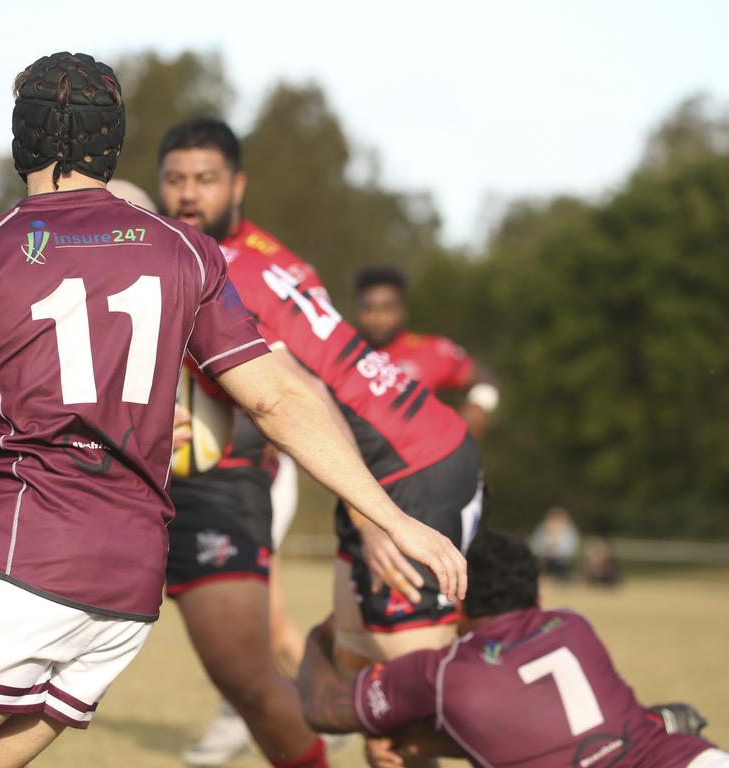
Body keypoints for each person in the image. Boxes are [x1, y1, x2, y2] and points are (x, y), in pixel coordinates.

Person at [0, 52, 464, 768]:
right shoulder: (187, 252)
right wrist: (393, 517)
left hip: (22, 564)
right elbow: (278, 396)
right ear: (111, 142)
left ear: (21, 139)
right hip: (127, 590)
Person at [158, 118, 482, 768]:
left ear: (238, 184)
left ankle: (621, 745)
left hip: (407, 470)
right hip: (388, 465)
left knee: (417, 724)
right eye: (175, 180)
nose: (189, 195)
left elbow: (312, 394)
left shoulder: (224, 276)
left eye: (206, 180)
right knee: (379, 726)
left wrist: (371, 518)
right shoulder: (262, 254)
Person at [297, 528, 728, 768]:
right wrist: (423, 745)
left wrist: (321, 635)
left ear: (459, 600)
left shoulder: (446, 673)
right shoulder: (575, 625)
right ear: (534, 593)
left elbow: (324, 710)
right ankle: (658, 721)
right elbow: (546, 732)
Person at [353, 266, 499, 440]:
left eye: (387, 308)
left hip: (424, 460)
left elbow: (486, 379)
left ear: (402, 312)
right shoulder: (342, 352)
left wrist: (478, 406)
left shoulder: (432, 350)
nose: (377, 317)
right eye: (369, 308)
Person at [529, 505, 581, 581]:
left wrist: (554, 551)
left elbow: (569, 550)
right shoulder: (541, 530)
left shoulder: (569, 532)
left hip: (560, 562)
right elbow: (534, 546)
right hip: (543, 560)